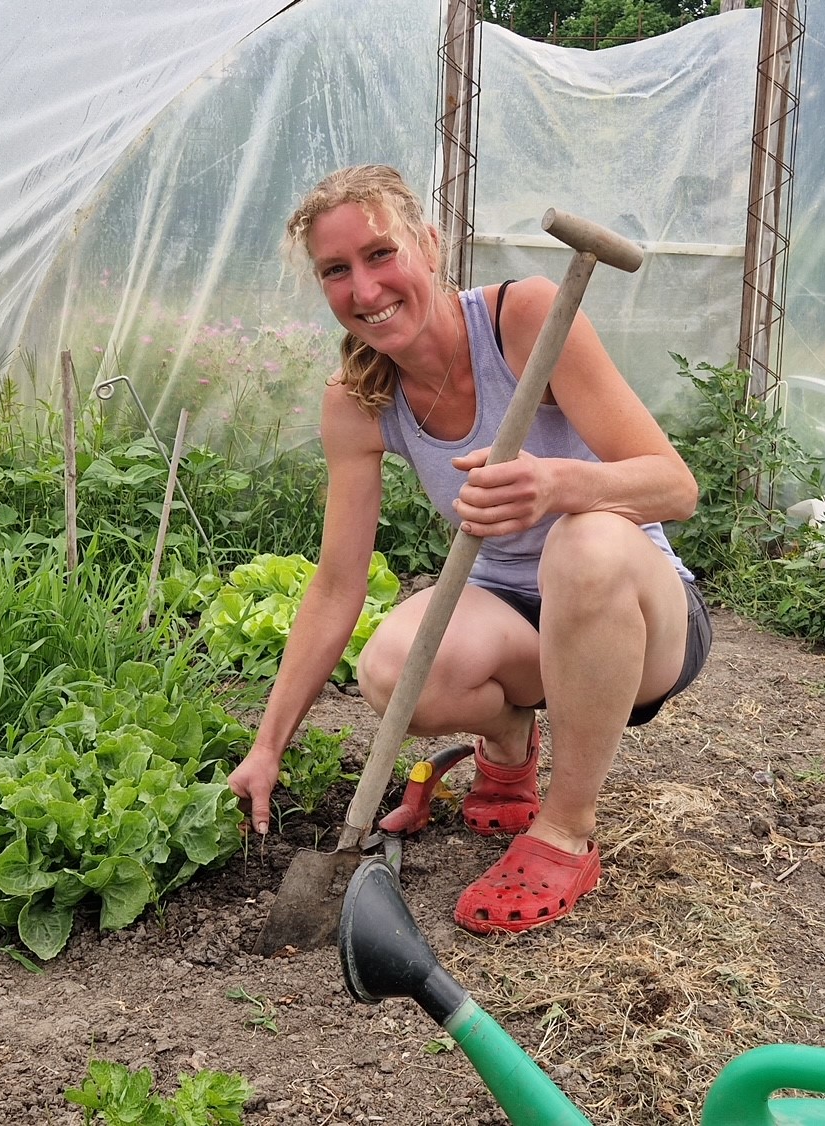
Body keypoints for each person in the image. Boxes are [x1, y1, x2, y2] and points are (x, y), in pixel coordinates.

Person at [225, 164, 712, 935]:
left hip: (639, 616)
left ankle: (566, 828)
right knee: (393, 671)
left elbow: (674, 488)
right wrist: (268, 745)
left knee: (584, 542)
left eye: (380, 254)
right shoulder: (357, 400)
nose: (365, 288)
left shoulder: (525, 319)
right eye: (336, 270)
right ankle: (510, 743)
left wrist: (558, 484)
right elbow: (338, 583)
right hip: (515, 620)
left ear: (428, 245)